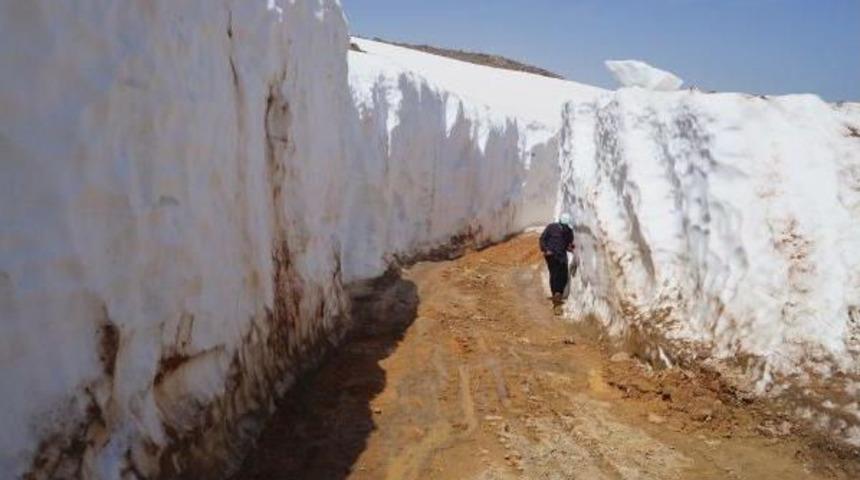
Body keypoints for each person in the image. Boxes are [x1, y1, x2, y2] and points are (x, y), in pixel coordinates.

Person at [539, 213, 574, 311]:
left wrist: (570, 247)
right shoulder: (551, 228)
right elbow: (542, 239)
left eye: (566, 226)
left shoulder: (569, 231)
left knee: (563, 275)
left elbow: (568, 244)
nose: (565, 227)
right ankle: (556, 297)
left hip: (562, 256)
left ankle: (558, 293)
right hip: (551, 256)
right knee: (554, 274)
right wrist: (546, 250)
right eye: (564, 225)